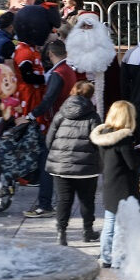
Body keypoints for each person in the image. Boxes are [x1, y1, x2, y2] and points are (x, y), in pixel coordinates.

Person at [44, 80, 102, 246]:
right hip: (86, 167)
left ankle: (61, 233)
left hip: (61, 165)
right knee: (87, 200)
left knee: (63, 200)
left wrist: (59, 154)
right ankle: (87, 231)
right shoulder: (93, 116)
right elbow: (97, 141)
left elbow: (49, 140)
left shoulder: (60, 113)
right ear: (90, 96)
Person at [91, 100, 140, 268]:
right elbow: (132, 164)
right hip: (123, 186)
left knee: (109, 223)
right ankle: (118, 259)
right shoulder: (124, 138)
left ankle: (106, 258)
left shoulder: (105, 135)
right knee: (121, 226)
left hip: (109, 183)